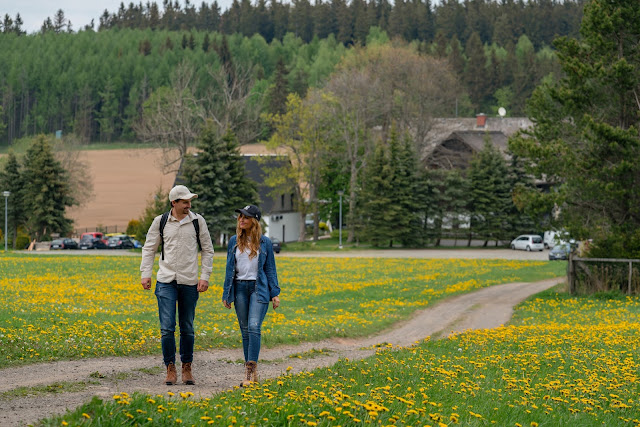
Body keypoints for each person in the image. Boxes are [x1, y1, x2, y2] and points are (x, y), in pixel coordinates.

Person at [140, 185, 214, 385]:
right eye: (185, 202)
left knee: (187, 328)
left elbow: (208, 249)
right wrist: (145, 274)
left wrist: (205, 276)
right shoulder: (161, 221)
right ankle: (170, 368)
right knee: (166, 329)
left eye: (190, 202)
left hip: (189, 281)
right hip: (165, 281)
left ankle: (187, 367)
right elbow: (149, 249)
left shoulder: (198, 222)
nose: (188, 205)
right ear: (174, 203)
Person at [222, 204, 280, 387]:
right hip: (239, 288)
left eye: (245, 217)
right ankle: (251, 372)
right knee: (245, 330)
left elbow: (270, 269)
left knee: (254, 326)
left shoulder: (265, 243)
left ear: (254, 221)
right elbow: (229, 269)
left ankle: (250, 370)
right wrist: (226, 293)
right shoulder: (233, 241)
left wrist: (275, 293)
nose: (241, 220)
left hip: (259, 288)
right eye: (240, 217)